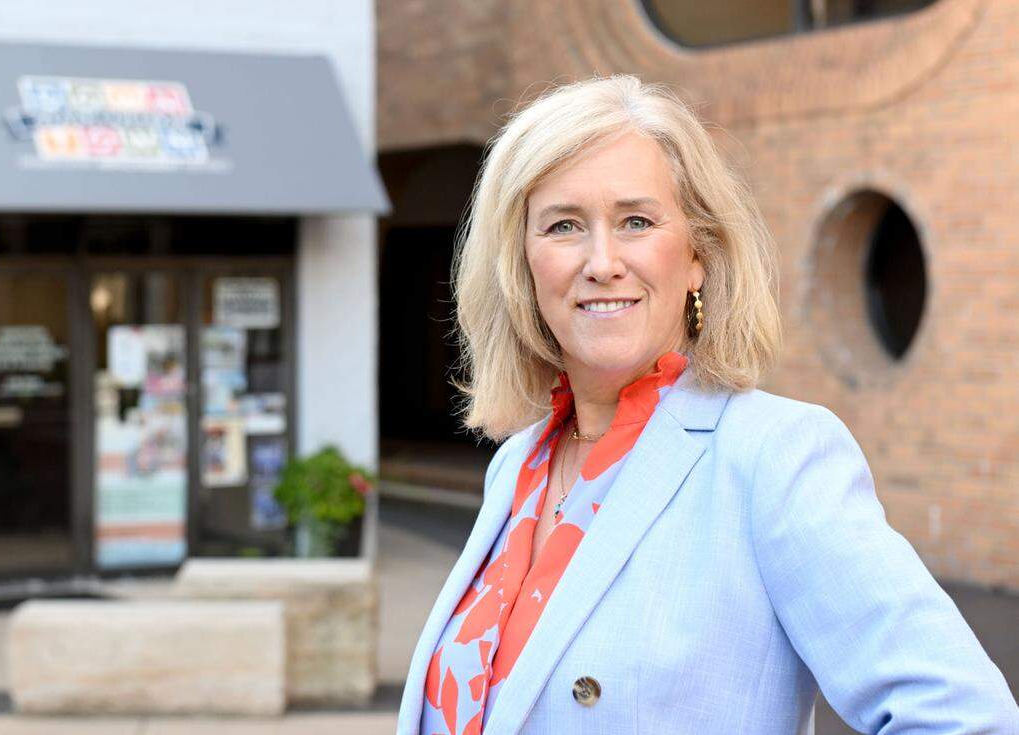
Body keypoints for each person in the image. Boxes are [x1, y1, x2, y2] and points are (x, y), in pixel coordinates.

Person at [396, 75, 1019, 734]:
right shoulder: (516, 464)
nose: (602, 260)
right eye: (564, 225)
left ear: (696, 254)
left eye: (636, 220)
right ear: (520, 262)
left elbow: (964, 717)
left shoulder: (774, 457)